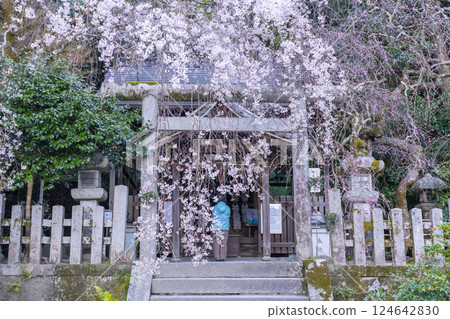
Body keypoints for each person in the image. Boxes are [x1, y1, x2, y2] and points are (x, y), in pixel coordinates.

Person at [212, 194, 231, 261]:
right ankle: (222, 257)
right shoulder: (228, 208)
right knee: (224, 242)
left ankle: (217, 257)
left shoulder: (214, 208)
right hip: (225, 227)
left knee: (216, 242)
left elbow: (213, 216)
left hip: (216, 227)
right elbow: (228, 216)